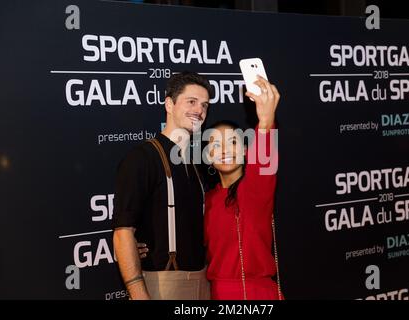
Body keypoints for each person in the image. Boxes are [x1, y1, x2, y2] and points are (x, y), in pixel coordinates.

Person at [112, 71, 212, 300]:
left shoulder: (198, 162)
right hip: (162, 285)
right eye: (191, 102)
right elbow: (122, 233)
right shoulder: (141, 158)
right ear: (169, 104)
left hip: (204, 283)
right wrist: (139, 294)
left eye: (205, 105)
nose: (199, 110)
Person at [204, 76, 283, 300]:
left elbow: (263, 166)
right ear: (208, 157)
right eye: (216, 145)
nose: (225, 150)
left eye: (233, 142)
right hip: (213, 294)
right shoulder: (206, 199)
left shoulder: (254, 191)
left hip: (254, 295)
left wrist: (266, 122)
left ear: (247, 151)